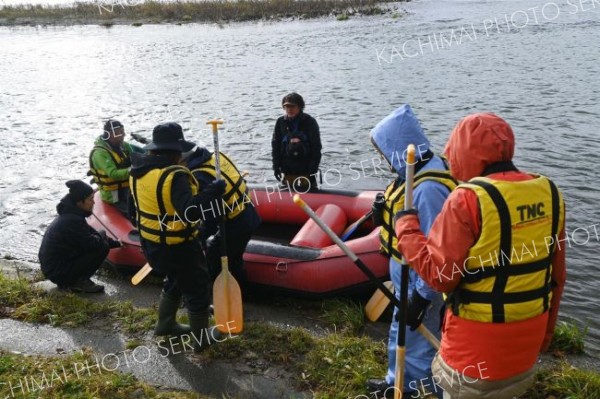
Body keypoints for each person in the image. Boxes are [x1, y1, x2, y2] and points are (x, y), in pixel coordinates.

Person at [393, 113, 566, 399]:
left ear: (462, 151)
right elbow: (558, 277)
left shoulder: (467, 198)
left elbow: (441, 277)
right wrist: (546, 335)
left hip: (473, 353)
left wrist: (406, 227)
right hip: (527, 345)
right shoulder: (551, 192)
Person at [366, 105, 457, 398]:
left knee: (418, 340)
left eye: (383, 151)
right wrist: (385, 216)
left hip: (421, 282)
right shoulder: (416, 169)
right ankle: (397, 382)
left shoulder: (428, 189)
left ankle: (415, 390)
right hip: (406, 276)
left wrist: (421, 296)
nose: (382, 158)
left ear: (398, 147)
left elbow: (438, 250)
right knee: (400, 331)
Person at [128, 122, 225, 352]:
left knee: (174, 280)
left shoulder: (137, 172)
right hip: (178, 247)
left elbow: (133, 214)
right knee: (197, 289)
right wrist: (213, 191)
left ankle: (166, 324)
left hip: (151, 245)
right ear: (176, 150)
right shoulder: (175, 175)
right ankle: (200, 340)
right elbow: (190, 211)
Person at [183, 145, 261, 287]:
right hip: (249, 213)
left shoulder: (199, 175)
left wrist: (199, 237)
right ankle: (242, 293)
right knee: (234, 259)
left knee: (215, 256)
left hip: (237, 224)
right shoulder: (214, 158)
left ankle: (221, 294)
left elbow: (212, 216)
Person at [38, 180, 121, 293]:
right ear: (79, 202)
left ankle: (76, 279)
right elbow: (93, 244)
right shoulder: (72, 221)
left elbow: (90, 233)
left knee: (100, 236)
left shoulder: (72, 215)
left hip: (57, 267)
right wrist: (104, 239)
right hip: (58, 272)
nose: (93, 202)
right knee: (102, 246)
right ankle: (78, 282)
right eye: (90, 199)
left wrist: (116, 243)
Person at [88, 119, 144, 216]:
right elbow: (113, 174)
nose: (122, 135)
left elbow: (140, 153)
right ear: (108, 134)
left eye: (122, 132)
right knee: (134, 214)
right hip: (114, 195)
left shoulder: (124, 146)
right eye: (118, 133)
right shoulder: (100, 153)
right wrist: (134, 170)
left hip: (129, 188)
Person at [271, 92, 322, 192]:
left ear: (300, 106)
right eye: (287, 106)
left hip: (306, 168)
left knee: (310, 195)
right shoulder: (280, 122)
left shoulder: (310, 122)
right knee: (287, 197)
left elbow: (316, 147)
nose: (289, 109)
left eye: (292, 106)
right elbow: (275, 146)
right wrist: (276, 167)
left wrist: (313, 170)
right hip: (288, 168)